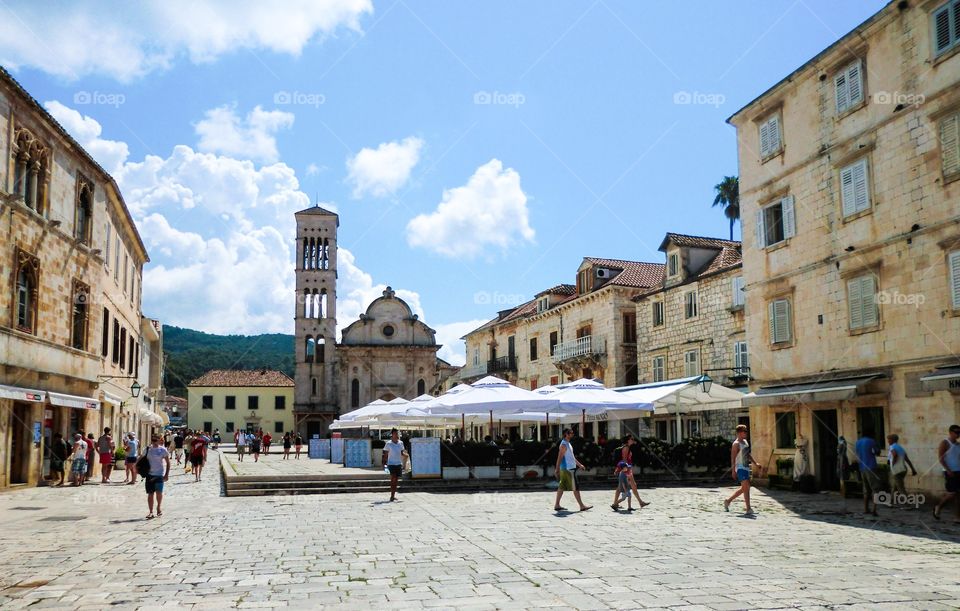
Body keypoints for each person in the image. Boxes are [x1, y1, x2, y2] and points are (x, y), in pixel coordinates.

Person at [724, 424, 762, 514]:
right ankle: (748, 508)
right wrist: (733, 471)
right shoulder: (736, 444)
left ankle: (728, 501)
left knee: (745, 488)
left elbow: (747, 454)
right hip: (740, 468)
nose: (746, 433)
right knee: (746, 488)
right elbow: (732, 458)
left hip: (746, 467)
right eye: (744, 431)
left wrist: (755, 463)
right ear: (739, 432)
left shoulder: (745, 442)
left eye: (746, 431)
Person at [553, 429, 591, 512]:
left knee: (562, 486)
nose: (572, 434)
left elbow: (572, 457)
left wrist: (579, 465)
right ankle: (581, 506)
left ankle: (557, 505)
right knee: (575, 487)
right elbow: (559, 457)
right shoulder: (564, 444)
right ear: (566, 434)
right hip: (568, 469)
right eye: (571, 433)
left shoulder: (568, 443)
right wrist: (557, 469)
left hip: (567, 468)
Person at [611, 435, 649, 511]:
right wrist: (627, 471)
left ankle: (639, 502)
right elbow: (624, 460)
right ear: (628, 440)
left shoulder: (626, 447)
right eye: (631, 439)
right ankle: (616, 504)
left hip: (625, 469)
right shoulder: (626, 448)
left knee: (622, 487)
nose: (633, 440)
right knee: (630, 485)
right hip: (626, 470)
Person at [934, 424, 960, 521]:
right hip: (950, 471)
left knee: (958, 495)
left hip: (959, 471)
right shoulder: (945, 443)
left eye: (959, 433)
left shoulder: (958, 445)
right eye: (956, 432)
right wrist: (948, 470)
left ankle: (957, 517)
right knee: (952, 494)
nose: (958, 435)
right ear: (951, 432)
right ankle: (939, 507)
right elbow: (940, 458)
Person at [855, 428, 882, 516]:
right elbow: (877, 452)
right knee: (875, 488)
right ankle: (874, 509)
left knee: (866, 489)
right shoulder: (871, 441)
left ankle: (866, 509)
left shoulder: (858, 442)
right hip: (871, 466)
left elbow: (857, 454)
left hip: (862, 467)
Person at [144, 434, 170, 520]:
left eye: (156, 440)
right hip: (150, 475)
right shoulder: (147, 449)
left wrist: (166, 474)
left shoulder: (163, 450)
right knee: (150, 494)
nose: (154, 441)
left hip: (159, 474)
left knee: (159, 492)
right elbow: (141, 459)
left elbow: (168, 462)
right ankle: (151, 512)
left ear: (160, 440)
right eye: (153, 440)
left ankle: (158, 507)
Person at [887, 433, 917, 498]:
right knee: (895, 486)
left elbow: (894, 455)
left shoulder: (892, 447)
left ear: (892, 440)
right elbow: (907, 460)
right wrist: (913, 469)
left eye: (889, 440)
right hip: (903, 469)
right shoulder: (900, 447)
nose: (888, 441)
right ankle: (891, 501)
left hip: (896, 470)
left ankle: (907, 505)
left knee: (900, 488)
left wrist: (893, 465)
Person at [382, 429, 408, 502]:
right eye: (396, 433)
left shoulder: (401, 443)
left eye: (398, 434)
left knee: (396, 480)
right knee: (393, 478)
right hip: (391, 464)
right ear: (392, 434)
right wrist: (384, 463)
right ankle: (392, 496)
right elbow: (385, 454)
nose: (397, 435)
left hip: (398, 463)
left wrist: (406, 455)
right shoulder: (388, 443)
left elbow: (402, 453)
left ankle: (393, 495)